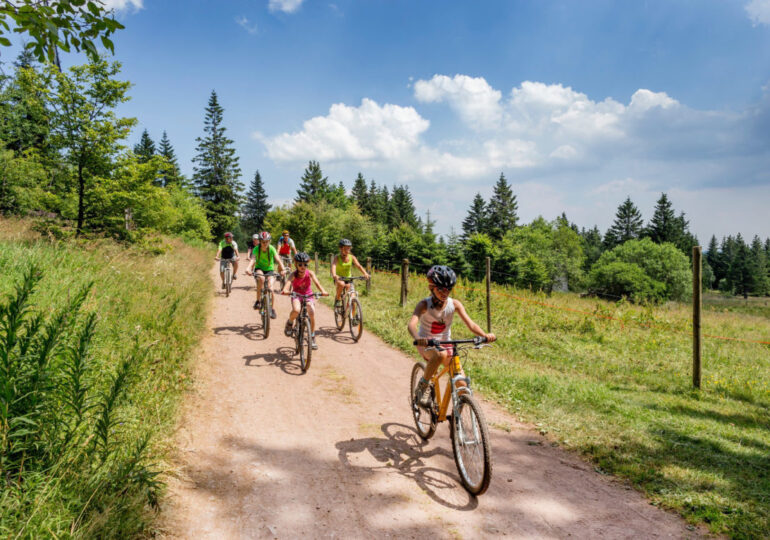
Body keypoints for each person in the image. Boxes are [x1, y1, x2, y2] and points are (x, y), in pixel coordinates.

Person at [407, 265, 496, 407]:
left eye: (448, 289)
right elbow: (411, 325)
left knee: (463, 388)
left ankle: (457, 423)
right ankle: (422, 387)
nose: (445, 292)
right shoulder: (424, 304)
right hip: (428, 345)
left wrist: (485, 335)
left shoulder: (454, 305)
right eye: (441, 289)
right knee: (440, 354)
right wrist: (418, 339)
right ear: (432, 287)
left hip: (447, 345)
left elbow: (471, 325)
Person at [281, 252, 328, 350]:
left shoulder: (310, 273)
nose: (303, 267)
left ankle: (312, 336)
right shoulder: (293, 274)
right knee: (296, 310)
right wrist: (285, 290)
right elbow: (288, 284)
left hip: (308, 295)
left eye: (305, 264)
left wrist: (322, 291)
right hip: (297, 295)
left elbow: (317, 282)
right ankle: (290, 322)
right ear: (296, 264)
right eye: (300, 264)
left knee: (311, 312)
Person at [246, 231, 285, 318]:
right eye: (263, 242)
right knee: (261, 279)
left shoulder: (271, 248)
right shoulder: (256, 249)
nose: (265, 243)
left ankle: (272, 309)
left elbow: (278, 260)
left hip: (269, 270)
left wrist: (283, 269)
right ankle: (258, 301)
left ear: (269, 241)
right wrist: (248, 268)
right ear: (260, 241)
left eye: (267, 241)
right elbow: (253, 259)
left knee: (271, 289)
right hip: (259, 268)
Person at [331, 238, 370, 308]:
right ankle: (337, 299)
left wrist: (365, 273)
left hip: (349, 279)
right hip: (339, 278)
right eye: (346, 248)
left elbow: (359, 266)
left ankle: (352, 316)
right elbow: (333, 266)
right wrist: (334, 275)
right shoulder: (337, 257)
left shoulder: (352, 257)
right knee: (342, 284)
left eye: (349, 248)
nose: (348, 250)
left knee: (353, 297)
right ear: (341, 248)